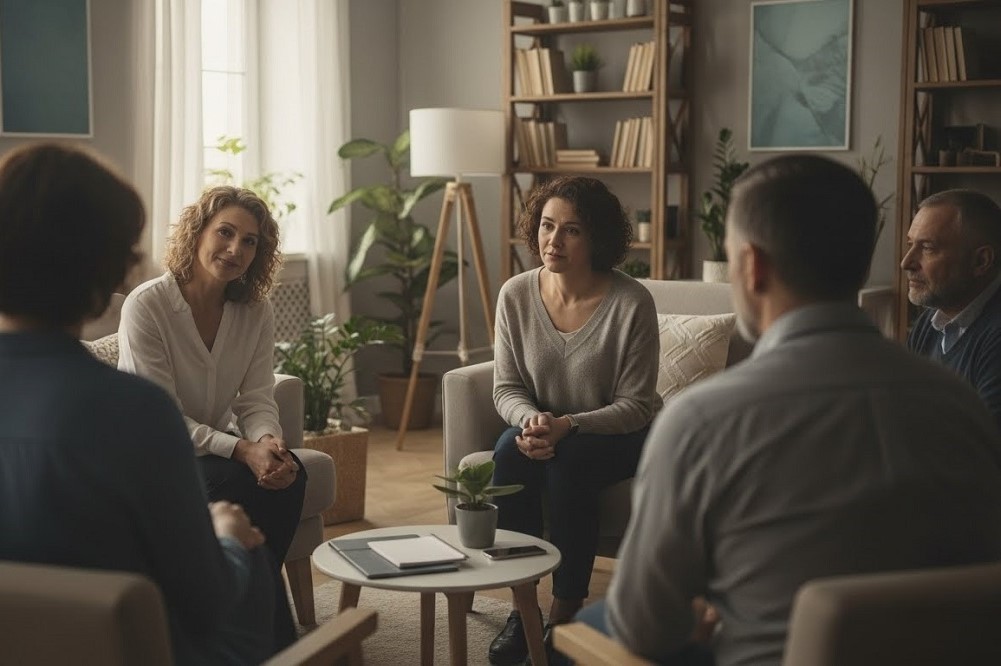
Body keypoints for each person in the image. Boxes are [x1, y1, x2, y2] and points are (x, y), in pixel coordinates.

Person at [580, 155, 1001, 665]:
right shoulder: (961, 405)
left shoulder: (700, 420)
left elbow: (642, 629)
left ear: (752, 267)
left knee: (592, 623)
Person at [0, 143, 278, 664]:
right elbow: (207, 600)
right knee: (250, 557)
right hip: (121, 647)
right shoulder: (135, 413)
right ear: (111, 271)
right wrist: (229, 539)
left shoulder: (246, 315)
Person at [117, 185, 306, 647]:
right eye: (225, 232)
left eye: (250, 241)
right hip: (149, 459)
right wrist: (242, 449)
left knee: (291, 474)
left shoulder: (254, 309)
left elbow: (258, 396)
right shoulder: (148, 305)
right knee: (238, 480)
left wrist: (268, 443)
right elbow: (162, 420)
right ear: (197, 232)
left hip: (207, 452)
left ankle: (249, 612)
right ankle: (263, 629)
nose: (235, 249)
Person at [488, 175, 662, 665]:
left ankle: (566, 610)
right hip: (544, 427)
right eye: (546, 226)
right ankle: (522, 607)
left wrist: (568, 425)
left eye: (572, 231)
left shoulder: (631, 303)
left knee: (570, 462)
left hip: (617, 432)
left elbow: (636, 405)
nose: (553, 240)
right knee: (506, 452)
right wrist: (530, 421)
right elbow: (506, 387)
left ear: (598, 238)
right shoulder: (515, 295)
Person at [902, 189, 1001, 435]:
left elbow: (983, 449)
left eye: (927, 248)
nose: (906, 262)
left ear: (981, 261)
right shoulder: (930, 323)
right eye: (910, 245)